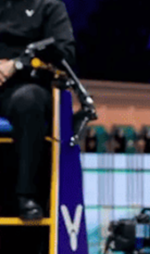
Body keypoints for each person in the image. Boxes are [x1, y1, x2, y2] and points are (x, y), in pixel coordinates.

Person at [0, 0, 75, 220]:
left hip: (25, 86)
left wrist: (16, 64)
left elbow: (65, 53)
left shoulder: (49, 6)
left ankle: (26, 197)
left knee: (29, 101)